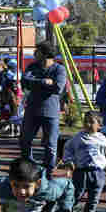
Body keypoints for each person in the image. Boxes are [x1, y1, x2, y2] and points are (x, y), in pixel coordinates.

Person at [19, 42, 66, 178]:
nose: (35, 53)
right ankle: (29, 167)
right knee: (25, 140)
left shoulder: (59, 69)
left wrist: (36, 82)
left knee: (50, 144)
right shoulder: (32, 66)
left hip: (51, 112)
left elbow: (58, 88)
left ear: (45, 53)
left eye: (37, 51)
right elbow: (25, 81)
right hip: (32, 110)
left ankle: (48, 171)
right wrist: (44, 82)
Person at [61, 111, 106, 212]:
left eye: (91, 122)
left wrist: (105, 164)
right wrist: (69, 161)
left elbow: (105, 153)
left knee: (94, 196)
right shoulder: (78, 137)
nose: (87, 124)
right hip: (82, 171)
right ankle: (67, 209)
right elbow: (68, 149)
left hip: (98, 172)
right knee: (77, 193)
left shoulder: (102, 139)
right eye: (85, 121)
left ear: (99, 126)